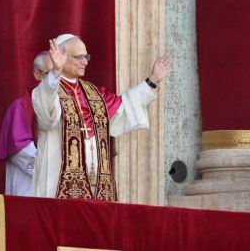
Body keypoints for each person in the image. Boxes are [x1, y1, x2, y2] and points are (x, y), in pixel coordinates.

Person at [31, 34, 172, 200]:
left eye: (86, 56)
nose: (85, 61)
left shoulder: (94, 93)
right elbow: (47, 115)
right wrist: (55, 72)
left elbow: (123, 107)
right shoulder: (48, 89)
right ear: (61, 56)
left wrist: (152, 80)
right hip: (57, 185)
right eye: (79, 57)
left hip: (96, 185)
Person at [0, 51, 53, 196]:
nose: (56, 82)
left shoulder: (64, 107)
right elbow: (19, 150)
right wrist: (53, 170)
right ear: (37, 74)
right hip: (27, 187)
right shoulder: (21, 107)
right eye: (51, 74)